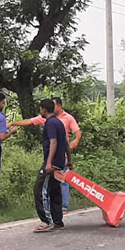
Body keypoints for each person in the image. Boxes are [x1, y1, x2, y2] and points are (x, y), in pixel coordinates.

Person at [11, 97, 81, 210]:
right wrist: (13, 123)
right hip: (60, 159)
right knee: (55, 187)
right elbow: (29, 121)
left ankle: (50, 214)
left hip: (54, 160)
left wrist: (49, 162)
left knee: (43, 187)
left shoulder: (57, 121)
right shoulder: (54, 121)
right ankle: (57, 215)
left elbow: (54, 142)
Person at [33, 99, 71, 233]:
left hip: (52, 163)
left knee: (40, 189)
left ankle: (46, 221)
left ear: (44, 110)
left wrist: (49, 163)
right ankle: (58, 221)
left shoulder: (50, 124)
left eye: (40, 109)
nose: (40, 111)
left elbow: (53, 142)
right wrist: (69, 159)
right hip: (60, 162)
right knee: (55, 191)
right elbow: (66, 142)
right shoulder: (59, 122)